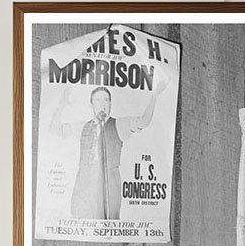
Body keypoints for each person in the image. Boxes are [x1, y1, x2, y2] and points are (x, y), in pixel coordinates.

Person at [51, 80, 168, 220]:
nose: (103, 105)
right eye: (98, 100)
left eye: (106, 100)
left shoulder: (118, 124)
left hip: (109, 187)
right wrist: (61, 105)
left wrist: (154, 96)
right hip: (84, 187)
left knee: (107, 226)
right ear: (92, 104)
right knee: (82, 226)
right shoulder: (83, 127)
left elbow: (143, 122)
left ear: (110, 104)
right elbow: (55, 130)